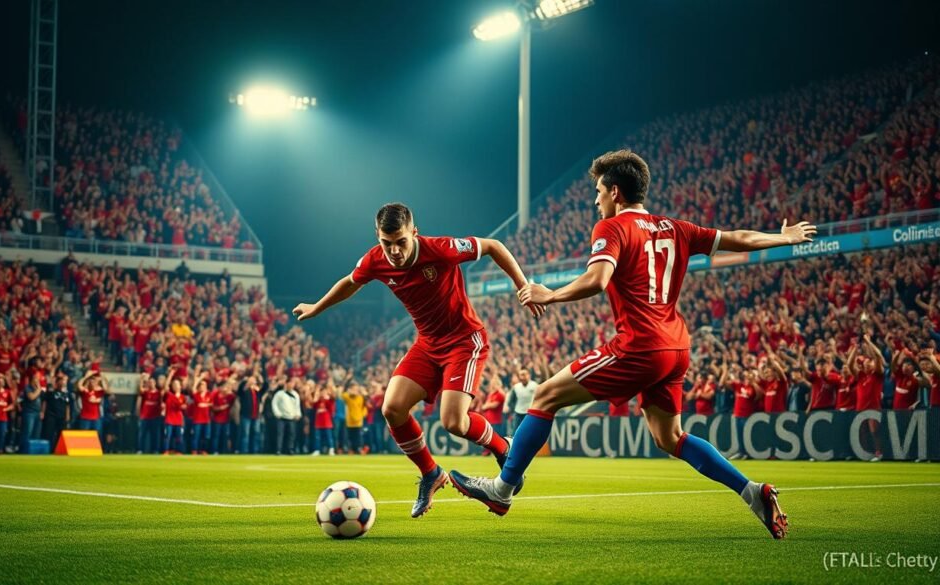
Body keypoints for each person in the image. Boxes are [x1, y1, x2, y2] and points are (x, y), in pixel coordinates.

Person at [450, 149, 816, 539]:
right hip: (676, 347)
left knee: (544, 396)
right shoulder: (675, 227)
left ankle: (502, 490)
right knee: (669, 437)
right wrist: (784, 237)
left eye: (598, 191)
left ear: (616, 192)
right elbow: (736, 238)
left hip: (640, 345)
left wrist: (549, 294)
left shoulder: (610, 229)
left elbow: (597, 280)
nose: (595, 200)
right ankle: (752, 493)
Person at [292, 202, 543, 517]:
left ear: (414, 232)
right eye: (387, 244)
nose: (394, 251)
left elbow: (494, 246)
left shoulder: (441, 249)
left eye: (400, 242)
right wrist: (317, 307)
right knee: (392, 409)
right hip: (427, 345)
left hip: (465, 341)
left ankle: (503, 448)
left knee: (453, 421)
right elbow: (350, 283)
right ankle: (431, 473)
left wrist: (524, 286)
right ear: (378, 238)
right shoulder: (374, 260)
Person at [41, 372, 72, 450]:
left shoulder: (66, 393)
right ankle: (47, 449)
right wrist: (42, 412)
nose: (62, 383)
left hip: (62, 416)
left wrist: (67, 416)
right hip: (51, 415)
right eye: (60, 381)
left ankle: (57, 449)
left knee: (61, 434)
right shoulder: (51, 392)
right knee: (48, 433)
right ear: (57, 383)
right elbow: (45, 401)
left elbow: (67, 405)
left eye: (63, 381)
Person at [504, 368, 538, 434]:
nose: (522, 377)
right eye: (521, 375)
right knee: (516, 432)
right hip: (518, 414)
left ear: (529, 375)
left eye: (524, 374)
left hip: (530, 413)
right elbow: (510, 401)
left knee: (530, 432)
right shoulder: (516, 387)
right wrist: (513, 409)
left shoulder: (535, 386)